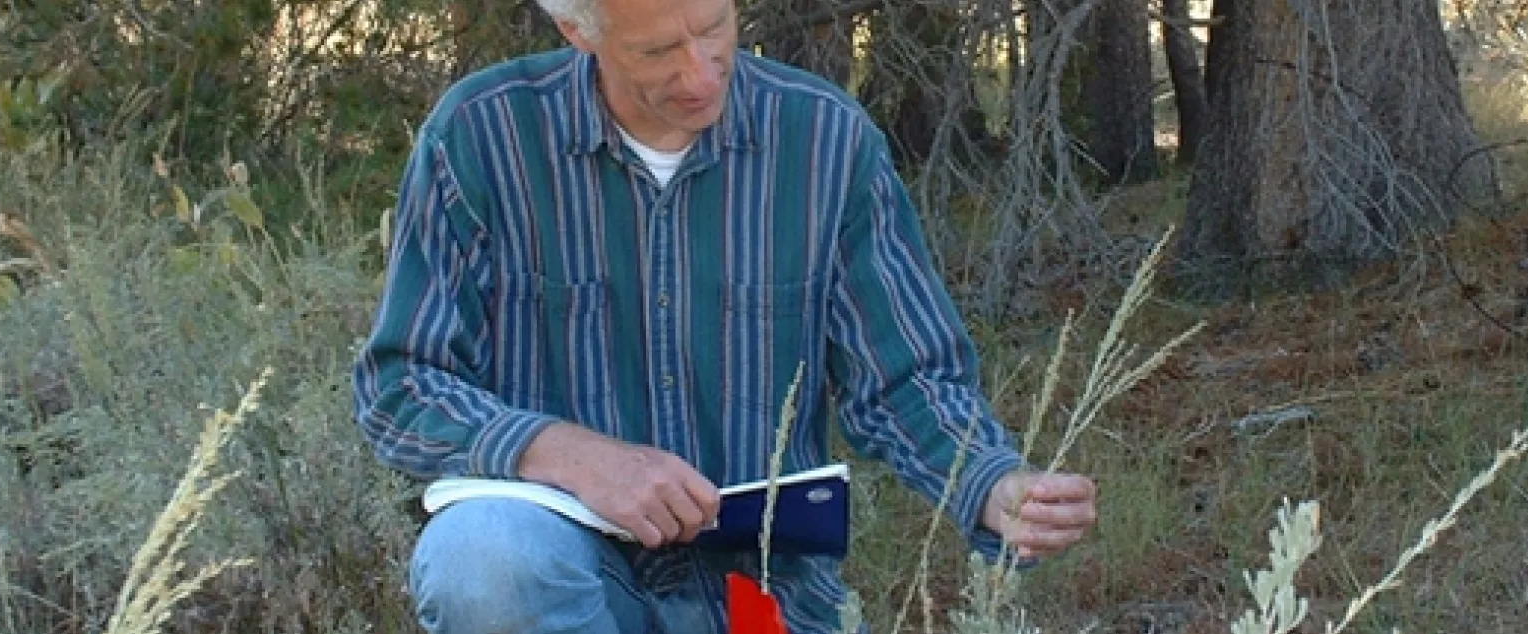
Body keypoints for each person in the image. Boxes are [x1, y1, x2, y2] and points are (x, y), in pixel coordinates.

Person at [349, 0, 1100, 630]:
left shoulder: (825, 141)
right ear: (581, 34)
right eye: (657, 51)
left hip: (764, 589)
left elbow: (906, 379)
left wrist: (993, 484)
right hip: (565, 572)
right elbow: (401, 382)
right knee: (484, 556)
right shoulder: (485, 136)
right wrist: (573, 456)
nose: (700, 73)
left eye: (713, 29)